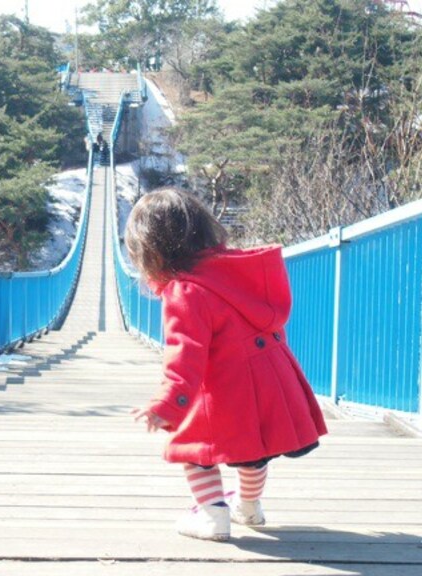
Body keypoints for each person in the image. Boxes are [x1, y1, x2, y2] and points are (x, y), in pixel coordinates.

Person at [126, 188, 327, 542]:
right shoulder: (245, 271)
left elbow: (185, 356)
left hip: (226, 386)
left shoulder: (185, 291)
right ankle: (248, 506)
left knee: (194, 447)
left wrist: (167, 404)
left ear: (152, 250)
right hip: (272, 375)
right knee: (254, 449)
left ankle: (212, 515)